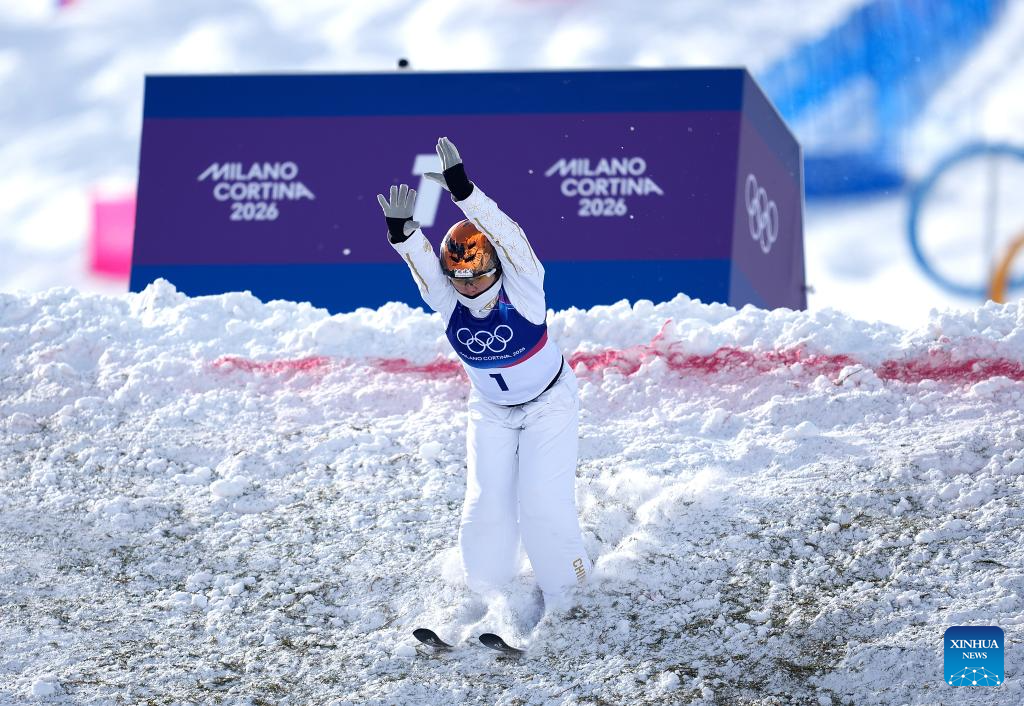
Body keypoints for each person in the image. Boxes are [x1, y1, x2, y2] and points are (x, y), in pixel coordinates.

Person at [377, 136, 592, 622]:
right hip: (490, 410)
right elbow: (423, 268)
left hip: (548, 404)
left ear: (496, 266)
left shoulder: (525, 286)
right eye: (460, 279)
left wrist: (465, 194)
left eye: (478, 276)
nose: (470, 286)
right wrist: (404, 236)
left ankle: (571, 594)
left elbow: (510, 237)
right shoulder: (448, 299)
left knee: (540, 504)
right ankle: (488, 596)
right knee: (484, 507)